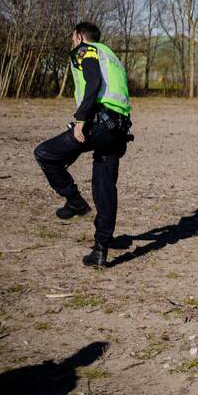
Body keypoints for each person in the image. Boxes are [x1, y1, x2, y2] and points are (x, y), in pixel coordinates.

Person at [34, 21, 132, 268]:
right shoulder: (110, 55)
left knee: (45, 153)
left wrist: (80, 120)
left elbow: (93, 81)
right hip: (119, 127)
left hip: (99, 122)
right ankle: (100, 249)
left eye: (72, 38)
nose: (72, 42)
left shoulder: (85, 50)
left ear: (79, 36)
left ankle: (75, 201)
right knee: (105, 185)